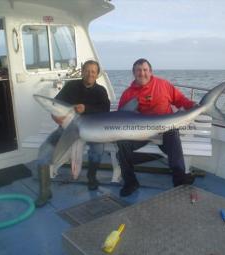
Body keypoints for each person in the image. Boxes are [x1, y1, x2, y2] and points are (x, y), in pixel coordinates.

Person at [35, 60, 110, 207]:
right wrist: (56, 117)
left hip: (91, 130)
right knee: (43, 153)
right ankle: (44, 192)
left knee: (98, 149)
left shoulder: (100, 91)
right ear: (82, 71)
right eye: (87, 70)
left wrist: (86, 108)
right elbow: (55, 105)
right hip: (67, 129)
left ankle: (92, 177)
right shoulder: (71, 86)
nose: (90, 74)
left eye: (93, 72)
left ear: (97, 74)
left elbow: (105, 111)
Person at [117, 58, 195, 197]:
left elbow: (180, 100)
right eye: (138, 70)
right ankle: (130, 182)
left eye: (145, 70)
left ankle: (179, 179)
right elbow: (120, 118)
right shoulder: (127, 94)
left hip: (165, 129)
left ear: (150, 71)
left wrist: (194, 106)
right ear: (133, 73)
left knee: (173, 135)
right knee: (122, 144)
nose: (142, 73)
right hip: (141, 133)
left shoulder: (163, 85)